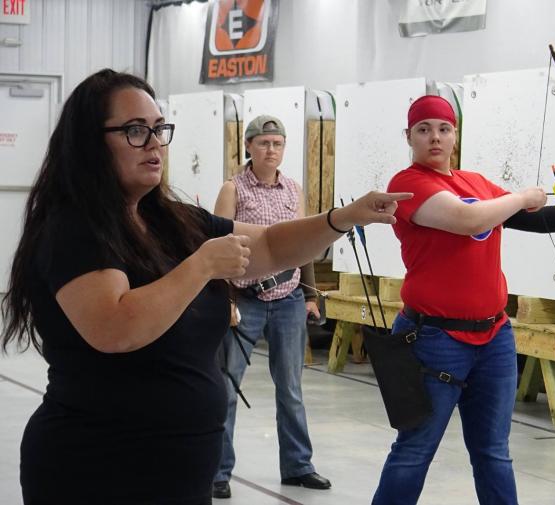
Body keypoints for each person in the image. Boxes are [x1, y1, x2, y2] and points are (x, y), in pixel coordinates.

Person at [0, 69, 409, 505]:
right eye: (136, 131)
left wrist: (340, 219)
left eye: (159, 129)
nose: (155, 143)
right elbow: (115, 327)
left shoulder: (173, 221)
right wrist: (199, 267)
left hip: (176, 473)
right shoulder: (75, 230)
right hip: (98, 469)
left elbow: (271, 243)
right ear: (89, 143)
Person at [372, 95, 555, 505]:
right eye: (423, 130)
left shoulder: (474, 182)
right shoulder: (408, 184)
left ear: (454, 135)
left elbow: (535, 220)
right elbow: (468, 220)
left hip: (493, 338)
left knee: (493, 453)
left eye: (443, 128)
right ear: (409, 136)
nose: (434, 137)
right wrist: (522, 195)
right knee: (415, 450)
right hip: (434, 340)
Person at [210, 115, 329, 499]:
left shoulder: (292, 190)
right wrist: (225, 300)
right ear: (248, 146)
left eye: (277, 144)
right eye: (263, 143)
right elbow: (217, 244)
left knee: (290, 388)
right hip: (245, 298)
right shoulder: (233, 189)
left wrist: (309, 295)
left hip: (288, 297)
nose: (271, 150)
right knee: (228, 386)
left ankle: (298, 465)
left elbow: (304, 242)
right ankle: (217, 470)